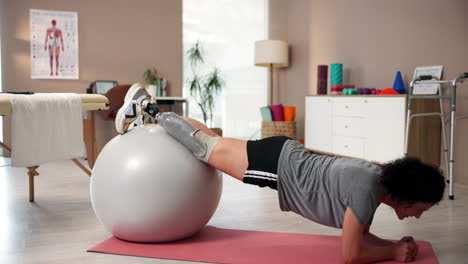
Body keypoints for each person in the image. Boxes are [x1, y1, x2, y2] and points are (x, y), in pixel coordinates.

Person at [115, 83, 446, 264]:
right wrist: (392, 253)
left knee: (211, 143)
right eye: (420, 208)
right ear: (408, 195)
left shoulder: (375, 181)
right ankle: (151, 110)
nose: (417, 216)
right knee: (205, 149)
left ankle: (153, 116)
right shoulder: (366, 193)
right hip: (279, 167)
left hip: (284, 154)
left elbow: (355, 236)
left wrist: (392, 245)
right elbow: (350, 255)